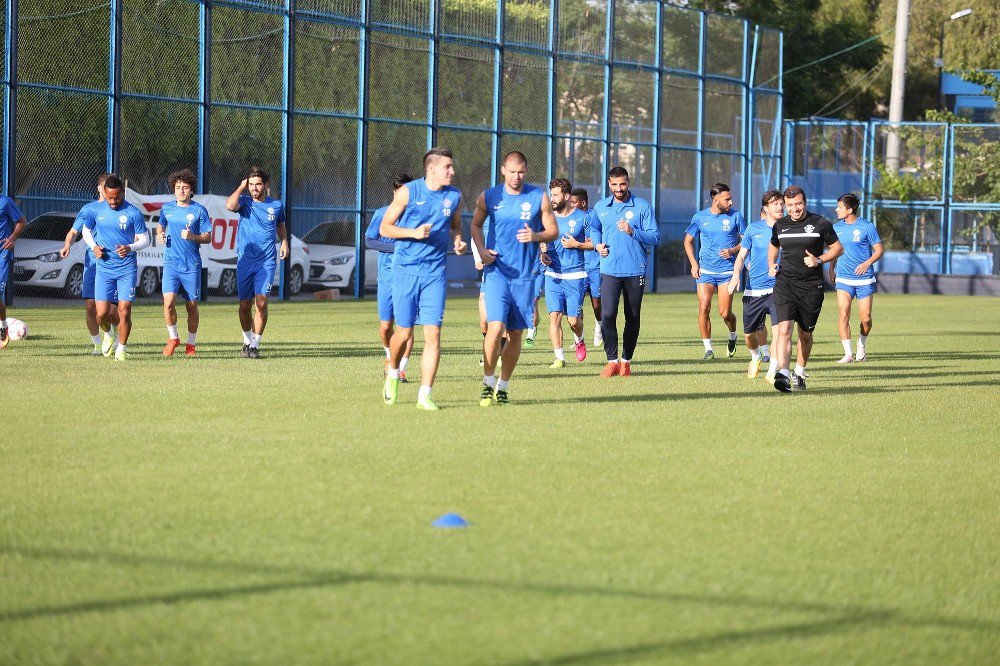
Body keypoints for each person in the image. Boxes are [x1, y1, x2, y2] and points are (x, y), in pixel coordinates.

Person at [379, 147, 467, 410]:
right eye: (447, 167)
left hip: (435, 274)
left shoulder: (455, 196)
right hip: (406, 271)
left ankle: (425, 394)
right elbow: (386, 228)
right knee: (403, 333)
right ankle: (392, 372)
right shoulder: (409, 192)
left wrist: (459, 241)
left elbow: (455, 225)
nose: (452, 171)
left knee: (434, 335)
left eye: (452, 167)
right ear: (432, 169)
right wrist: (413, 233)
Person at [470, 150, 557, 405]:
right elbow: (475, 225)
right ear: (502, 170)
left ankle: (503, 386)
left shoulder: (538, 197)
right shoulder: (489, 197)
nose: (516, 176)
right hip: (497, 272)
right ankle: (487, 382)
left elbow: (553, 230)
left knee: (517, 334)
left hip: (525, 277)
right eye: (511, 171)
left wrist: (537, 237)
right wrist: (482, 250)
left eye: (520, 172)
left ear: (526, 171)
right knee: (495, 328)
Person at [768, 185, 843, 392]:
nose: (795, 209)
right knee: (784, 329)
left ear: (805, 203)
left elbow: (838, 249)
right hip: (785, 283)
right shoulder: (780, 224)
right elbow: (774, 244)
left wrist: (819, 260)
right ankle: (783, 372)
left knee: (805, 334)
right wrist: (771, 264)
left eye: (798, 204)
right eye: (790, 205)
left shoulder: (820, 223)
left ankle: (799, 370)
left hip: (811, 286)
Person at [590, 166, 660, 377]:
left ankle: (626, 361)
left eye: (622, 184)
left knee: (632, 315)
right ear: (609, 184)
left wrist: (633, 231)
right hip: (609, 268)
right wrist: (596, 245)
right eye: (614, 184)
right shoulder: (601, 206)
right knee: (608, 314)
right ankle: (612, 361)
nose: (619, 188)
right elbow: (594, 228)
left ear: (628, 183)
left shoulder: (642, 206)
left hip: (634, 269)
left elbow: (655, 237)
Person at [81, 175, 149, 360]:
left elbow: (145, 239)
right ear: (104, 192)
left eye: (117, 197)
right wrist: (94, 246)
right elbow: (86, 231)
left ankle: (121, 349)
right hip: (104, 269)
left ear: (123, 193)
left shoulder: (133, 213)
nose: (113, 201)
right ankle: (109, 334)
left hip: (126, 268)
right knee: (101, 313)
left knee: (124, 310)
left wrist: (130, 247)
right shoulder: (95, 211)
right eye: (109, 197)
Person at [225, 166, 289, 359]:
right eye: (251, 184)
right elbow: (229, 206)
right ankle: (246, 340)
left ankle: (255, 344)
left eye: (257, 184)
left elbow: (280, 225)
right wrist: (240, 187)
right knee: (245, 305)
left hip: (266, 262)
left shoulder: (276, 205)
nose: (254, 188)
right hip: (245, 261)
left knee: (261, 303)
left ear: (266, 185)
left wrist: (284, 242)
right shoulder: (244, 202)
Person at [60, 173, 121, 354]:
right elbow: (73, 232)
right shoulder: (89, 209)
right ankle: (97, 344)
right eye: (104, 186)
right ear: (99, 188)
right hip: (93, 265)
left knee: (111, 310)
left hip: (114, 265)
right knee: (90, 306)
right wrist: (67, 245)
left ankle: (116, 335)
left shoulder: (121, 209)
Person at [683, 183, 746, 360]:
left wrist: (733, 250)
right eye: (727, 199)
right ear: (715, 200)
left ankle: (732, 335)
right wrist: (694, 264)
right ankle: (708, 349)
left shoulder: (736, 216)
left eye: (730, 198)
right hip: (706, 271)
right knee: (704, 306)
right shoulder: (700, 217)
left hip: (727, 272)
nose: (731, 202)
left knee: (725, 313)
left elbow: (746, 241)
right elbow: (687, 241)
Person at [364, 174, 415, 380]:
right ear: (394, 192)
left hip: (409, 279)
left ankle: (400, 368)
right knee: (386, 327)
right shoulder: (382, 214)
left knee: (407, 327)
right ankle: (389, 356)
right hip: (386, 279)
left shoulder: (416, 216)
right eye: (398, 190)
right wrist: (396, 248)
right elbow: (370, 241)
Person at [728, 190, 782, 379]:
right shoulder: (753, 228)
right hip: (754, 290)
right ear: (766, 208)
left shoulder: (789, 229)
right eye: (775, 203)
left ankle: (773, 369)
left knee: (779, 333)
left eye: (781, 202)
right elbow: (742, 255)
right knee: (749, 336)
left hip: (778, 289)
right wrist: (736, 275)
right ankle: (755, 357)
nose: (780, 206)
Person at [158, 169, 212, 356]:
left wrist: (192, 236)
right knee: (169, 303)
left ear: (191, 190)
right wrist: (160, 235)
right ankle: (173, 338)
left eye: (185, 187)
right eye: (178, 187)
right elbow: (160, 225)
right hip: (171, 264)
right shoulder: (167, 208)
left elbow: (207, 237)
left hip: (191, 265)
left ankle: (191, 344)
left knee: (191, 306)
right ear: (174, 189)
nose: (181, 190)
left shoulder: (199, 211)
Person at [541, 178, 590, 368]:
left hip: (575, 275)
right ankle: (559, 357)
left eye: (555, 195)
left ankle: (580, 338)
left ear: (567, 196)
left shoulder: (582, 218)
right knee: (554, 316)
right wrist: (542, 253)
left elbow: (595, 244)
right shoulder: (546, 217)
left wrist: (576, 244)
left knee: (573, 321)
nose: (552, 198)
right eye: (551, 194)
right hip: (552, 274)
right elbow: (541, 242)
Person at [830, 193, 883, 363]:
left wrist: (867, 263)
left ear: (850, 209)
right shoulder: (836, 228)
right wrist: (831, 269)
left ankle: (861, 344)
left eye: (839, 207)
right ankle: (848, 353)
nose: (836, 210)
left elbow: (879, 250)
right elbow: (834, 251)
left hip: (864, 279)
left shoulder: (867, 227)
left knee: (865, 318)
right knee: (843, 312)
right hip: (843, 278)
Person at [571, 187, 602, 347]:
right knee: (577, 305)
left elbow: (595, 242)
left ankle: (599, 328)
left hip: (595, 267)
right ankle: (578, 339)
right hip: (577, 269)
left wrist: (579, 244)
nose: (570, 205)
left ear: (583, 203)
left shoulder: (593, 217)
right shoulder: (570, 219)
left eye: (573, 202)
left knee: (597, 303)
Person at [0, 193, 27, 349]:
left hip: (2, 253)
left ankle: (3, 326)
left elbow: (22, 221)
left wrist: (12, 238)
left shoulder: (5, 202)